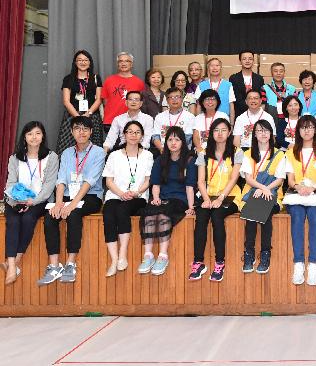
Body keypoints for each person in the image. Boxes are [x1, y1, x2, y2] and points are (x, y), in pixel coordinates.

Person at [38, 116, 105, 285]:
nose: (81, 132)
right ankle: (54, 266)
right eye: (77, 128)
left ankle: (70, 263)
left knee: (74, 214)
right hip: (68, 196)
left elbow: (90, 181)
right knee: (50, 216)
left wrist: (72, 204)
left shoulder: (98, 152)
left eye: (84, 129)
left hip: (90, 196)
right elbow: (61, 180)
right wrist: (59, 203)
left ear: (91, 132)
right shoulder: (67, 153)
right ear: (71, 131)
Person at [3, 122, 58, 285]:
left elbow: (49, 186)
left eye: (37, 133)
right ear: (24, 137)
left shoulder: (51, 157)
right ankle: (12, 266)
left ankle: (14, 262)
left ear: (43, 136)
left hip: (39, 200)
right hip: (15, 200)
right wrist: (16, 202)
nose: (34, 137)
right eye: (30, 134)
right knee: (12, 221)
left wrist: (32, 201)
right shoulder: (15, 158)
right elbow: (10, 184)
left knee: (28, 219)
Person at [138, 126, 197, 276]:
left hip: (180, 199)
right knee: (149, 213)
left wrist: (191, 206)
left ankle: (163, 256)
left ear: (183, 142)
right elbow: (155, 183)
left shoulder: (190, 160)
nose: (173, 143)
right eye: (170, 139)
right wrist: (156, 198)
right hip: (163, 197)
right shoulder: (160, 160)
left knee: (164, 215)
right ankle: (148, 255)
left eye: (177, 139)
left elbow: (190, 186)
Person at [189, 118, 242, 282]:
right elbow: (200, 180)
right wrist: (205, 198)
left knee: (217, 216)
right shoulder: (203, 153)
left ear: (229, 132)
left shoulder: (237, 152)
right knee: (202, 217)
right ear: (211, 133)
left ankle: (220, 262)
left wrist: (220, 198)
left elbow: (234, 179)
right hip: (208, 195)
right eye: (216, 130)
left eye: (223, 130)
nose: (220, 134)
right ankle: (198, 262)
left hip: (230, 195)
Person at [280, 115, 316, 286]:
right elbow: (290, 180)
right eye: (303, 127)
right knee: (297, 218)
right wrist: (299, 187)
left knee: (315, 218)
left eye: (310, 127)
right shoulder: (291, 152)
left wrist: (312, 188)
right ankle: (298, 264)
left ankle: (314, 265)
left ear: (315, 130)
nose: (306, 130)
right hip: (297, 194)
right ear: (298, 131)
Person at [101, 120, 153, 277]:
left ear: (142, 136)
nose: (133, 135)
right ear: (124, 134)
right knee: (109, 213)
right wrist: (121, 193)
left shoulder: (147, 155)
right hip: (115, 194)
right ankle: (114, 259)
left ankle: (122, 254)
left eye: (137, 132)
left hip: (138, 196)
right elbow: (108, 181)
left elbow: (148, 180)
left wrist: (136, 192)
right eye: (130, 131)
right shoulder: (114, 155)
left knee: (123, 209)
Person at [237, 120, 285, 274]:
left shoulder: (279, 154)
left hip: (273, 194)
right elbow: (248, 179)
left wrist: (266, 190)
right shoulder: (247, 154)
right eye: (259, 131)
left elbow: (280, 180)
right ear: (255, 134)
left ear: (271, 133)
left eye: (266, 130)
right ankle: (249, 253)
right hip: (252, 193)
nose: (263, 134)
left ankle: (265, 253)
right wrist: (262, 188)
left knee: (265, 210)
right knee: (253, 212)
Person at [58, 50, 103, 153]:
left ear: (90, 62)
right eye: (80, 60)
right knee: (68, 148)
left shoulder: (96, 78)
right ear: (75, 62)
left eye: (85, 60)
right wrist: (77, 117)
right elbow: (66, 101)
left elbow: (99, 99)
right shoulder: (68, 79)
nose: (83, 62)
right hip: (72, 117)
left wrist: (88, 114)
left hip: (92, 117)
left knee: (93, 149)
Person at [101, 52, 145, 132]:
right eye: (120, 61)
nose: (123, 63)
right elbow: (105, 102)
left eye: (127, 61)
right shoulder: (109, 80)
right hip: (111, 121)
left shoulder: (139, 82)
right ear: (118, 64)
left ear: (131, 64)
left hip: (132, 122)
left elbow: (141, 103)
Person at [153, 87, 195, 153]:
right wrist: (162, 149)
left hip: (183, 153)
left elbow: (188, 137)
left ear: (182, 99)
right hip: (163, 152)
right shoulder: (159, 117)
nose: (174, 100)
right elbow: (156, 136)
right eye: (171, 97)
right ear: (167, 100)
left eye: (177, 97)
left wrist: (174, 150)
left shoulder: (190, 117)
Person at [230, 50, 266, 119]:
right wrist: (251, 108)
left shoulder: (259, 78)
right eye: (244, 59)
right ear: (240, 61)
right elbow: (236, 99)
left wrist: (255, 110)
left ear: (253, 61)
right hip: (240, 115)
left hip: (256, 115)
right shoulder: (233, 78)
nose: (247, 61)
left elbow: (261, 97)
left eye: (250, 59)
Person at [192, 89, 230, 154]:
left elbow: (226, 135)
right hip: (201, 151)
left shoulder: (223, 116)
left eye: (213, 99)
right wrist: (201, 151)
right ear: (202, 102)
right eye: (207, 99)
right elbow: (196, 137)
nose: (210, 102)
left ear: (217, 101)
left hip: (220, 151)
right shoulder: (198, 118)